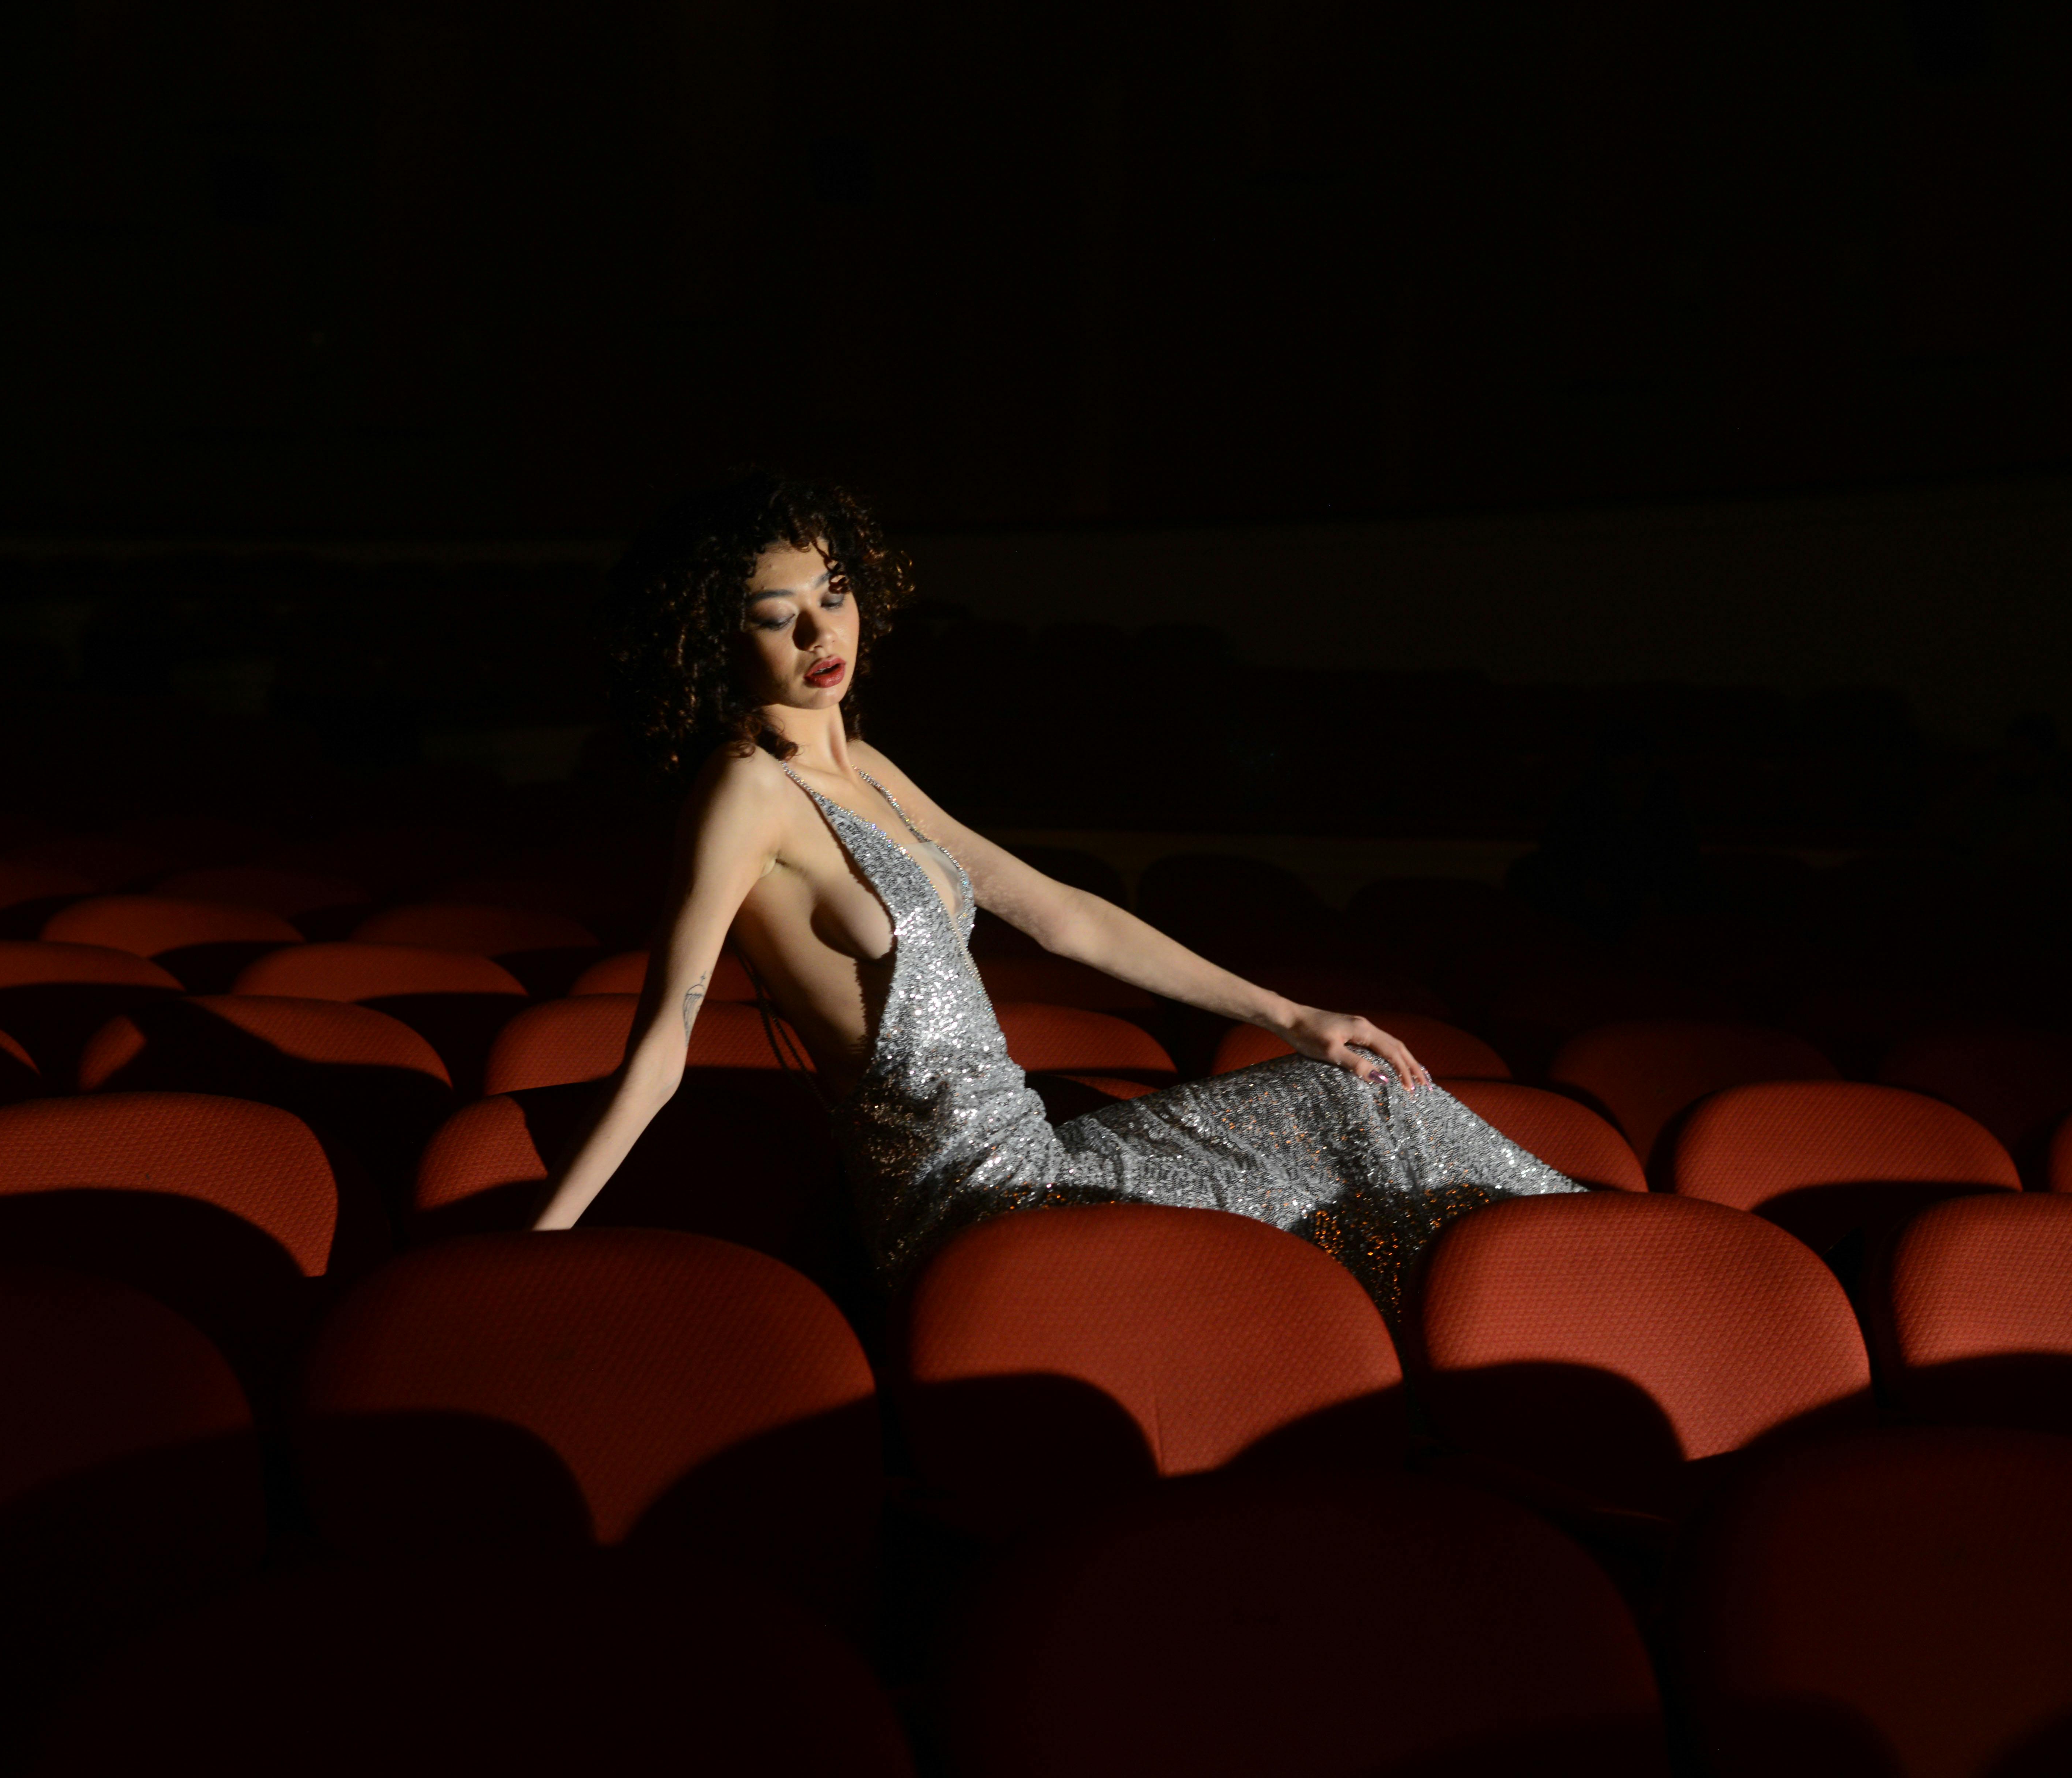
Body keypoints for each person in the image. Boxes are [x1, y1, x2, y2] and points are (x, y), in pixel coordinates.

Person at [533, 473, 1582, 1314]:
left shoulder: (874, 771)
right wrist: (539, 1248)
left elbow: (1058, 910)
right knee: (1341, 1152)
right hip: (966, 1209)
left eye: (834, 594)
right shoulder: (743, 789)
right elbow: (661, 1043)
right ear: (715, 642)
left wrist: (1288, 1014)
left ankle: (1581, 1277)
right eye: (778, 617)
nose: (821, 636)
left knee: (1356, 1099)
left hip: (1035, 1156)